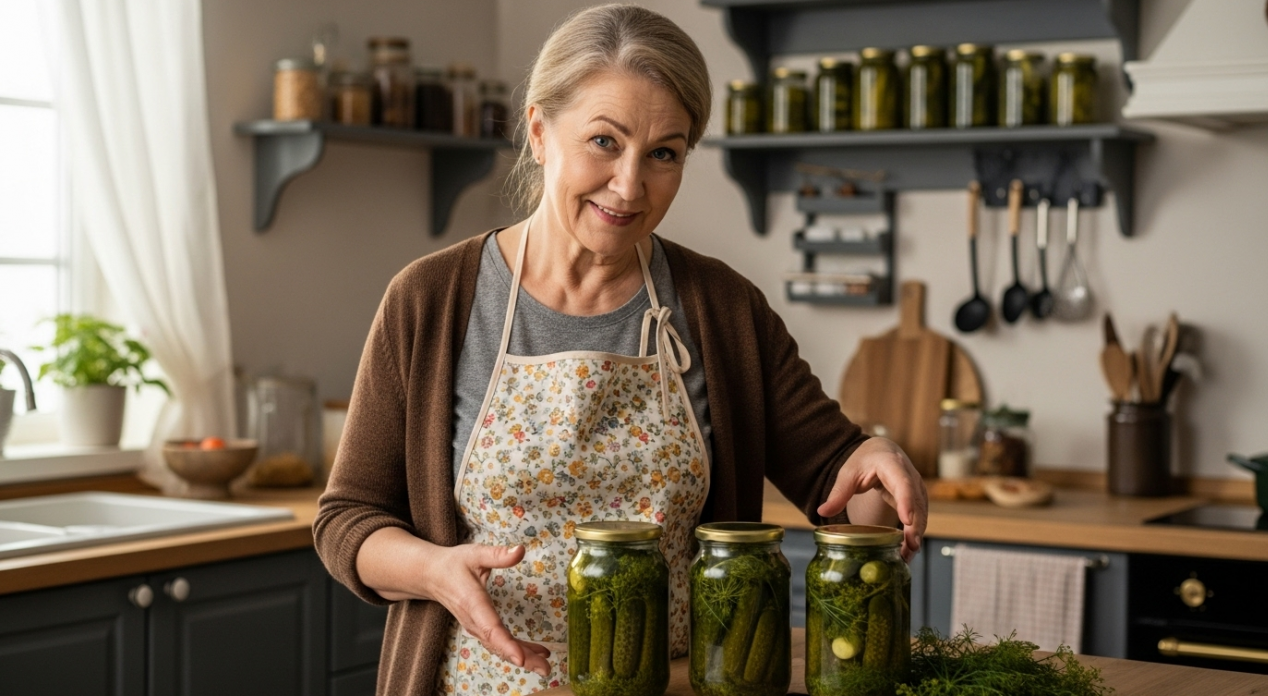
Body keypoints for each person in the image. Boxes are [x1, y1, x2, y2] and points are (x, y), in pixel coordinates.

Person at [314, 5, 927, 695]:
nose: (631, 185)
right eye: (604, 141)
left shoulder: (723, 309)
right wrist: (433, 570)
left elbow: (840, 487)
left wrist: (876, 466)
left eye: (664, 153)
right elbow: (347, 521)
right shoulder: (431, 300)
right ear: (541, 131)